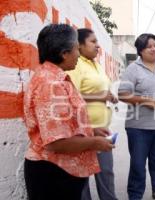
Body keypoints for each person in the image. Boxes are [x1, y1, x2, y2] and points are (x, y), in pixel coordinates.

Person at [23, 24, 114, 200]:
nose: (78, 55)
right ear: (64, 53)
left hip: (58, 171)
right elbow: (57, 143)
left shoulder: (55, 78)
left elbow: (65, 123)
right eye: (75, 49)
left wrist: (91, 131)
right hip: (54, 173)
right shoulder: (51, 85)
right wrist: (94, 142)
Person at [118, 33, 155, 200]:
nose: (154, 49)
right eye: (149, 46)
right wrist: (144, 101)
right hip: (138, 128)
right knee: (138, 164)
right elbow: (123, 94)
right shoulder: (132, 69)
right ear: (141, 51)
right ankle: (135, 195)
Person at [67, 28, 118, 200]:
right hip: (83, 131)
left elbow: (99, 90)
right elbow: (70, 95)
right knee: (83, 177)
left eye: (98, 42)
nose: (98, 46)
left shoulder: (96, 64)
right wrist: (100, 96)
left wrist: (108, 95)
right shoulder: (76, 65)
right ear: (79, 46)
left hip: (101, 129)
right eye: (93, 42)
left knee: (106, 173)